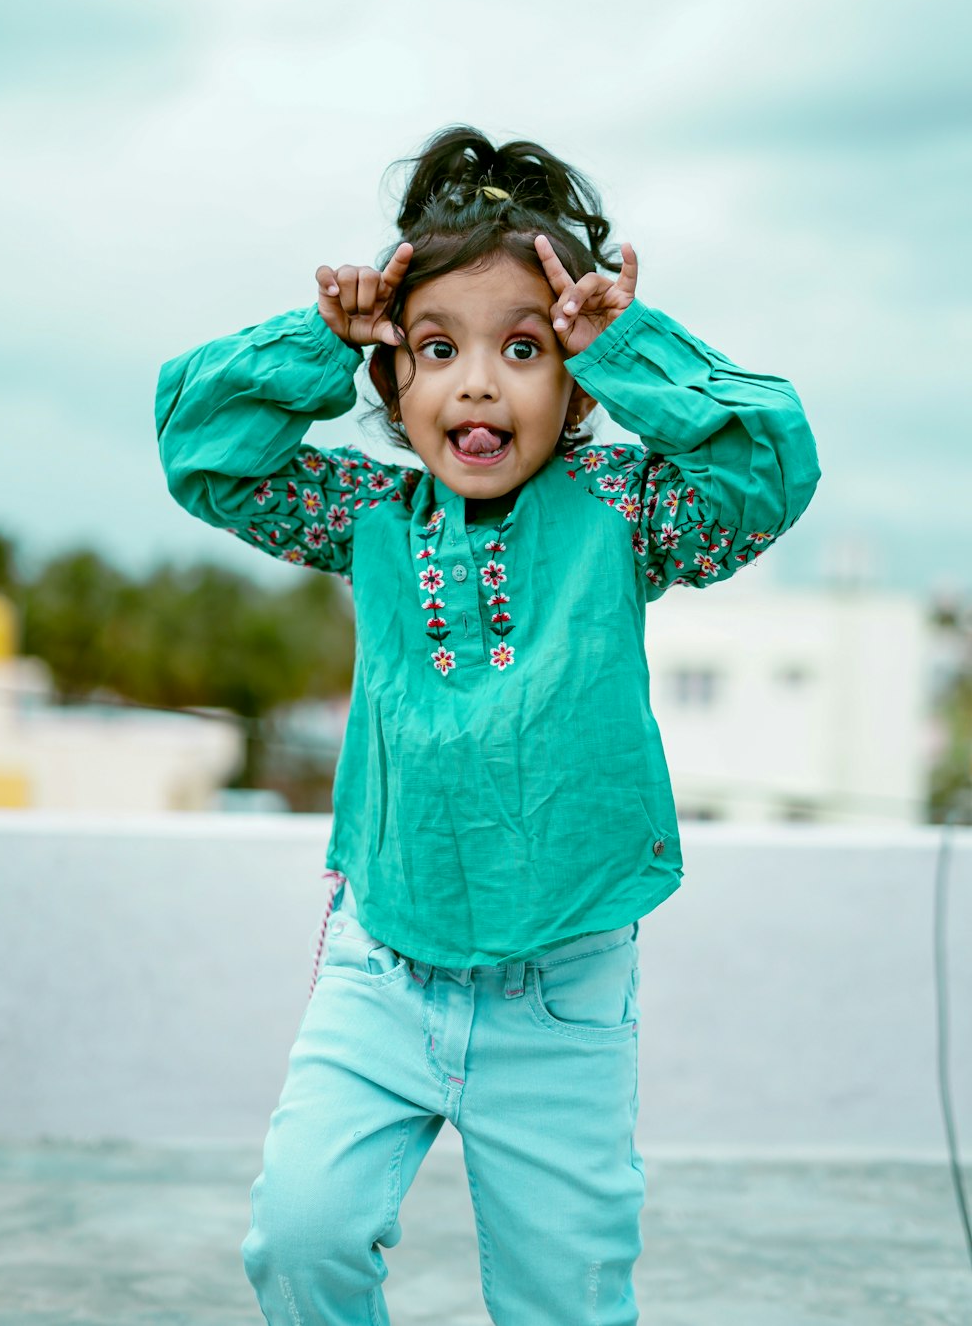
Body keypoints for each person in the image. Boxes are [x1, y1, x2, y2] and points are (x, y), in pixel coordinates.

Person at [155, 123, 821, 1325]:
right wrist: (317, 341)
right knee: (299, 1240)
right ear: (394, 379)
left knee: (564, 1301)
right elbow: (203, 451)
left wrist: (633, 348)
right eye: (434, 348)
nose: (476, 382)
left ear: (573, 389)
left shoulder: (627, 511)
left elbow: (768, 465)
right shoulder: (365, 510)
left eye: (523, 348)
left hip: (562, 990)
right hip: (382, 966)